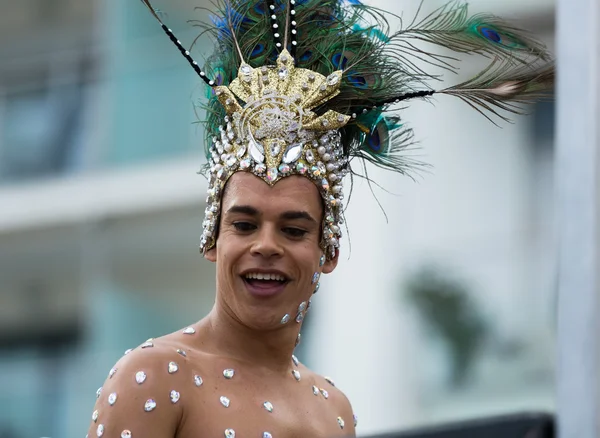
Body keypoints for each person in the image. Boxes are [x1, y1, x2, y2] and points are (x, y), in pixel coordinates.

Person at [86, 1, 554, 437]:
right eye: (244, 224)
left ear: (327, 251)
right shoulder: (153, 377)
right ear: (212, 238)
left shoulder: (334, 409)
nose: (265, 245)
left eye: (293, 229)